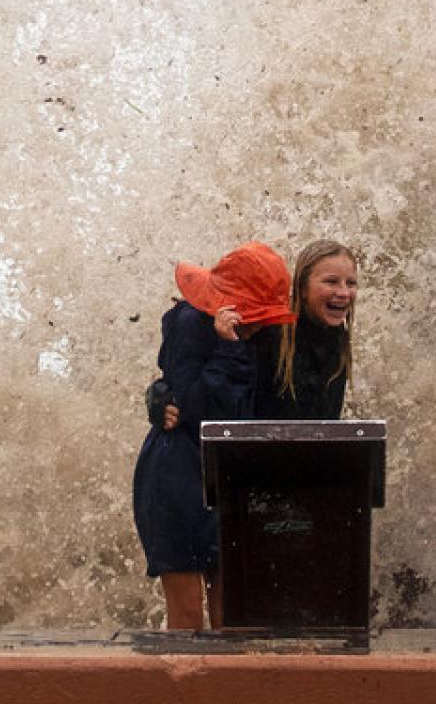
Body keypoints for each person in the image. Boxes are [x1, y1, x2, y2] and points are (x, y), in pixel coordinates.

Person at [131, 241, 295, 630]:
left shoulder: (261, 334)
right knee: (188, 614)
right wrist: (229, 349)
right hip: (177, 473)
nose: (261, 324)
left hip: (228, 474)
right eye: (254, 314)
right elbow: (203, 412)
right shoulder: (190, 325)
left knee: (233, 613)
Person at [255, 240, 357, 421]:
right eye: (331, 281)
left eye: (351, 283)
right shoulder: (271, 333)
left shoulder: (336, 336)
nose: (344, 292)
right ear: (302, 288)